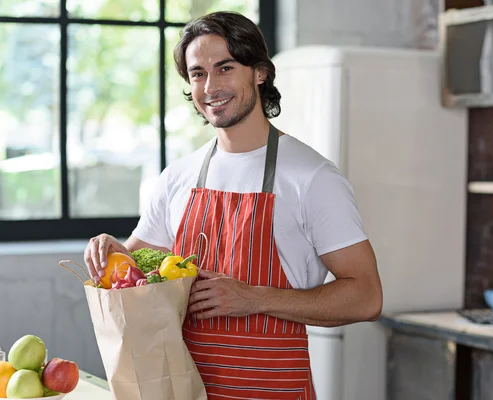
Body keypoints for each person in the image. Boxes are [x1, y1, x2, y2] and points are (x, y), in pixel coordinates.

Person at [84, 11, 382, 399]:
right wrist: (112, 249)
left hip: (272, 390)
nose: (210, 86)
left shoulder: (312, 178)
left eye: (225, 68)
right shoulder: (179, 177)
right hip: (183, 388)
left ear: (259, 72)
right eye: (198, 73)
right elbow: (134, 271)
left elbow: (367, 297)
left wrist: (253, 297)